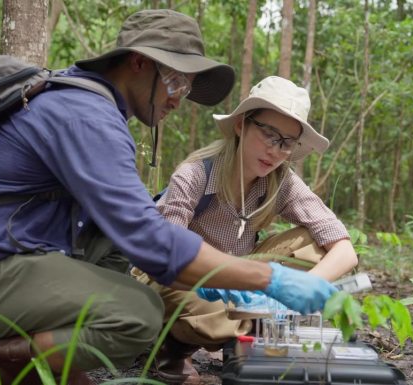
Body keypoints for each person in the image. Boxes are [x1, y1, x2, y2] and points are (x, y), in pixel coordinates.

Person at [0, 10, 337, 385]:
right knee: (138, 317)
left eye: (186, 88)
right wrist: (271, 280)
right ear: (137, 64)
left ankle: (47, 364)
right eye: (174, 82)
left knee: (114, 262)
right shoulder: (85, 118)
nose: (177, 99)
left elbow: (120, 233)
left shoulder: (90, 109)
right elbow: (154, 243)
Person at [133, 76, 358, 384]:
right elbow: (165, 254)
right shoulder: (196, 174)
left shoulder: (282, 182)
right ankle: (169, 345)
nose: (276, 150)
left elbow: (344, 248)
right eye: (269, 134)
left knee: (314, 245)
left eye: (287, 142)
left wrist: (297, 291)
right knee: (205, 303)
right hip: (181, 279)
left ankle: (252, 335)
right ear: (241, 125)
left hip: (241, 279)